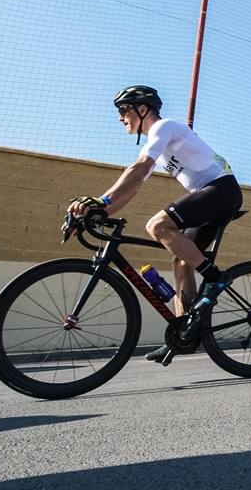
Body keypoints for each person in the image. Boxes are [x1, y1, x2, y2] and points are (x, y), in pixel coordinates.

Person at [70, 85, 241, 363]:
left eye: (124, 110)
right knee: (181, 261)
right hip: (210, 193)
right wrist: (99, 212)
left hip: (220, 189)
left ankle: (216, 278)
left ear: (143, 109)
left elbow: (137, 167)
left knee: (157, 226)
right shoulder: (159, 146)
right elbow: (133, 187)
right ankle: (184, 333)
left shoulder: (164, 127)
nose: (120, 117)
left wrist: (100, 200)